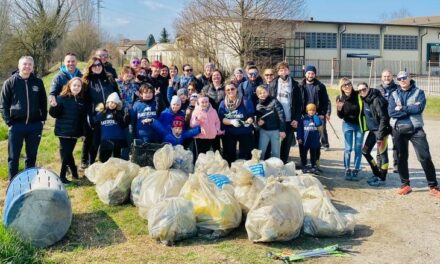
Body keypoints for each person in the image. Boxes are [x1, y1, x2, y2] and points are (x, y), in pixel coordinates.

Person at [388, 71, 440, 197]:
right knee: (401, 157)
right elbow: (391, 112)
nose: (402, 80)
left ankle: (433, 186)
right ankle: (405, 185)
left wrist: (402, 108)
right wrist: (410, 109)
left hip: (416, 129)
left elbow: (419, 109)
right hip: (398, 129)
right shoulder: (393, 94)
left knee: (425, 157)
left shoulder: (419, 92)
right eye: (399, 78)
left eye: (404, 77)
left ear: (409, 78)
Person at [0, 56, 47, 180]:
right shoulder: (10, 82)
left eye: (30, 64)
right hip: (16, 125)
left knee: (31, 156)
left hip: (34, 125)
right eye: (24, 64)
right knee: (13, 157)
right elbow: (3, 104)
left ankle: (28, 181)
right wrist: (9, 122)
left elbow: (43, 102)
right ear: (19, 66)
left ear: (33, 67)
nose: (27, 66)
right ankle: (13, 183)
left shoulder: (38, 82)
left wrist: (42, 119)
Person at [81, 56, 119, 168]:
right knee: (93, 142)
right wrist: (90, 115)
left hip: (110, 114)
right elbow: (84, 100)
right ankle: (89, 163)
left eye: (99, 65)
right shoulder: (86, 81)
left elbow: (116, 95)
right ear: (90, 67)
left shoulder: (109, 78)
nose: (97, 67)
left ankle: (106, 162)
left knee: (108, 139)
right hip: (95, 115)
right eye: (94, 65)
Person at [49, 77, 86, 184]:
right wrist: (54, 107)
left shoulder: (81, 101)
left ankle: (74, 173)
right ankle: (62, 177)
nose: (76, 87)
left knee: (68, 153)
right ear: (69, 85)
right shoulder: (61, 98)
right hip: (63, 131)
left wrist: (83, 133)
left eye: (79, 86)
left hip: (75, 132)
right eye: (74, 85)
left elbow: (83, 119)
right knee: (67, 154)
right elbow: (54, 114)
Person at [267, 62, 302, 164]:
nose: (283, 71)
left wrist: (296, 119)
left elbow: (299, 104)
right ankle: (275, 165)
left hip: (289, 120)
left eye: (285, 69)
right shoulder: (273, 84)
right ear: (278, 72)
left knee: (286, 145)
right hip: (276, 120)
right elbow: (269, 102)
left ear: (289, 70)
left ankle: (283, 164)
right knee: (275, 144)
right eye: (281, 70)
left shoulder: (295, 85)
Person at [358, 82, 391, 187]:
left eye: (364, 89)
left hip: (381, 131)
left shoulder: (376, 99)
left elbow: (384, 118)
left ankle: (383, 178)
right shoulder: (364, 99)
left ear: (368, 88)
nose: (362, 91)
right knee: (365, 151)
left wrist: (380, 136)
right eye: (360, 90)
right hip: (373, 131)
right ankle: (377, 173)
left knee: (382, 154)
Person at [336, 78, 367, 181]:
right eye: (345, 85)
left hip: (359, 125)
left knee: (358, 149)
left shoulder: (358, 95)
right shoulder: (340, 98)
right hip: (347, 124)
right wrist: (339, 108)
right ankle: (347, 168)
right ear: (341, 87)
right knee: (348, 149)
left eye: (349, 84)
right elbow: (340, 116)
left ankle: (356, 169)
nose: (347, 86)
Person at [299, 65, 329, 170]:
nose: (310, 75)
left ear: (315, 74)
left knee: (316, 142)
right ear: (305, 74)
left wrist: (323, 113)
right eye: (308, 73)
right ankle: (303, 163)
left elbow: (326, 101)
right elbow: (297, 101)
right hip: (305, 117)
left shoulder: (320, 86)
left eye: (312, 73)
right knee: (303, 140)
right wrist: (300, 114)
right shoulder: (300, 86)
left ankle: (316, 163)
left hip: (317, 116)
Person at [218, 82, 254, 164]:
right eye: (228, 90)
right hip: (229, 133)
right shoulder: (223, 103)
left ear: (236, 89)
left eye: (232, 89)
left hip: (244, 132)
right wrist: (231, 122)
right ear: (225, 91)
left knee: (245, 156)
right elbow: (221, 118)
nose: (230, 91)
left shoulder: (245, 100)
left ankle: (244, 171)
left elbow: (251, 115)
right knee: (229, 156)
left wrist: (249, 121)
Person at [95, 92, 130, 162]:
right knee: (103, 160)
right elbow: (97, 126)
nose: (112, 104)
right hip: (105, 140)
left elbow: (123, 125)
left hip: (117, 140)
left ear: (117, 104)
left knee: (117, 160)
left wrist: (127, 119)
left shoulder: (119, 113)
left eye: (114, 103)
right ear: (107, 102)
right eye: (110, 102)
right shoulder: (101, 113)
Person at [255, 85, 286, 159]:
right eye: (260, 93)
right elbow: (256, 119)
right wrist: (258, 123)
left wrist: (282, 130)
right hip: (264, 131)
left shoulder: (274, 101)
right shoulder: (258, 105)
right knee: (261, 152)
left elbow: (281, 116)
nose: (262, 94)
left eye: (264, 92)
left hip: (275, 131)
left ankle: (276, 169)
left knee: (276, 152)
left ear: (268, 92)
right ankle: (261, 168)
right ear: (257, 95)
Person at [377, 69, 399, 173]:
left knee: (397, 144)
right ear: (382, 78)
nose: (387, 78)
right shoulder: (377, 89)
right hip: (382, 121)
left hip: (395, 120)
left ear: (392, 77)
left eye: (388, 76)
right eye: (385, 76)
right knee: (381, 142)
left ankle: (397, 166)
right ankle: (379, 163)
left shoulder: (398, 89)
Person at [297, 103, 322, 174]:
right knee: (303, 153)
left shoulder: (316, 118)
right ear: (307, 111)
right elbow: (300, 130)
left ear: (315, 111)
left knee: (313, 154)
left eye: (313, 110)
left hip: (314, 140)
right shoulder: (304, 119)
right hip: (305, 140)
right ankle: (304, 165)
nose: (311, 112)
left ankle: (313, 166)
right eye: (310, 110)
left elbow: (319, 126)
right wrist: (299, 138)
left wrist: (316, 118)